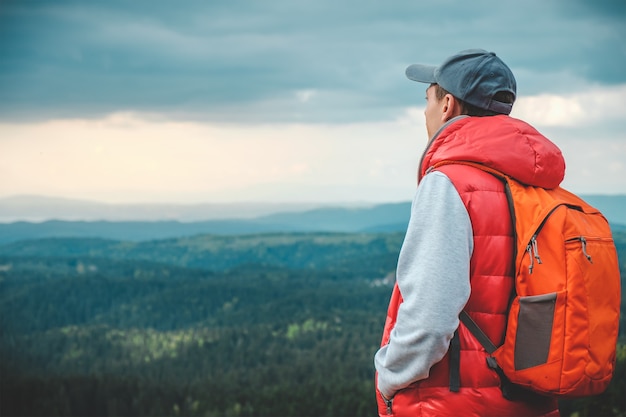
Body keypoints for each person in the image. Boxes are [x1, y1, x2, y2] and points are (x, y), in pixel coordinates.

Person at [374, 49, 562, 416]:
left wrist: (388, 376)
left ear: (447, 105)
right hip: (527, 399)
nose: (424, 112)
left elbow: (430, 317)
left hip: (450, 404)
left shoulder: (448, 183)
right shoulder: (537, 186)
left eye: (427, 99)